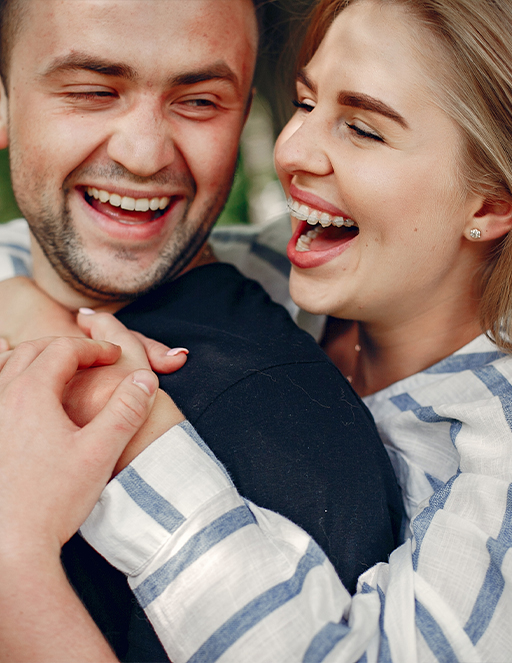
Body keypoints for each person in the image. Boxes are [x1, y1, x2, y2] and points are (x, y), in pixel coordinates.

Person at [3, 0, 511, 660]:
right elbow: (41, 250)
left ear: (491, 204)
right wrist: (28, 309)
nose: (291, 153)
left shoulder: (491, 449)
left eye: (362, 128)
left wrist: (132, 421)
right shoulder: (268, 271)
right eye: (305, 104)